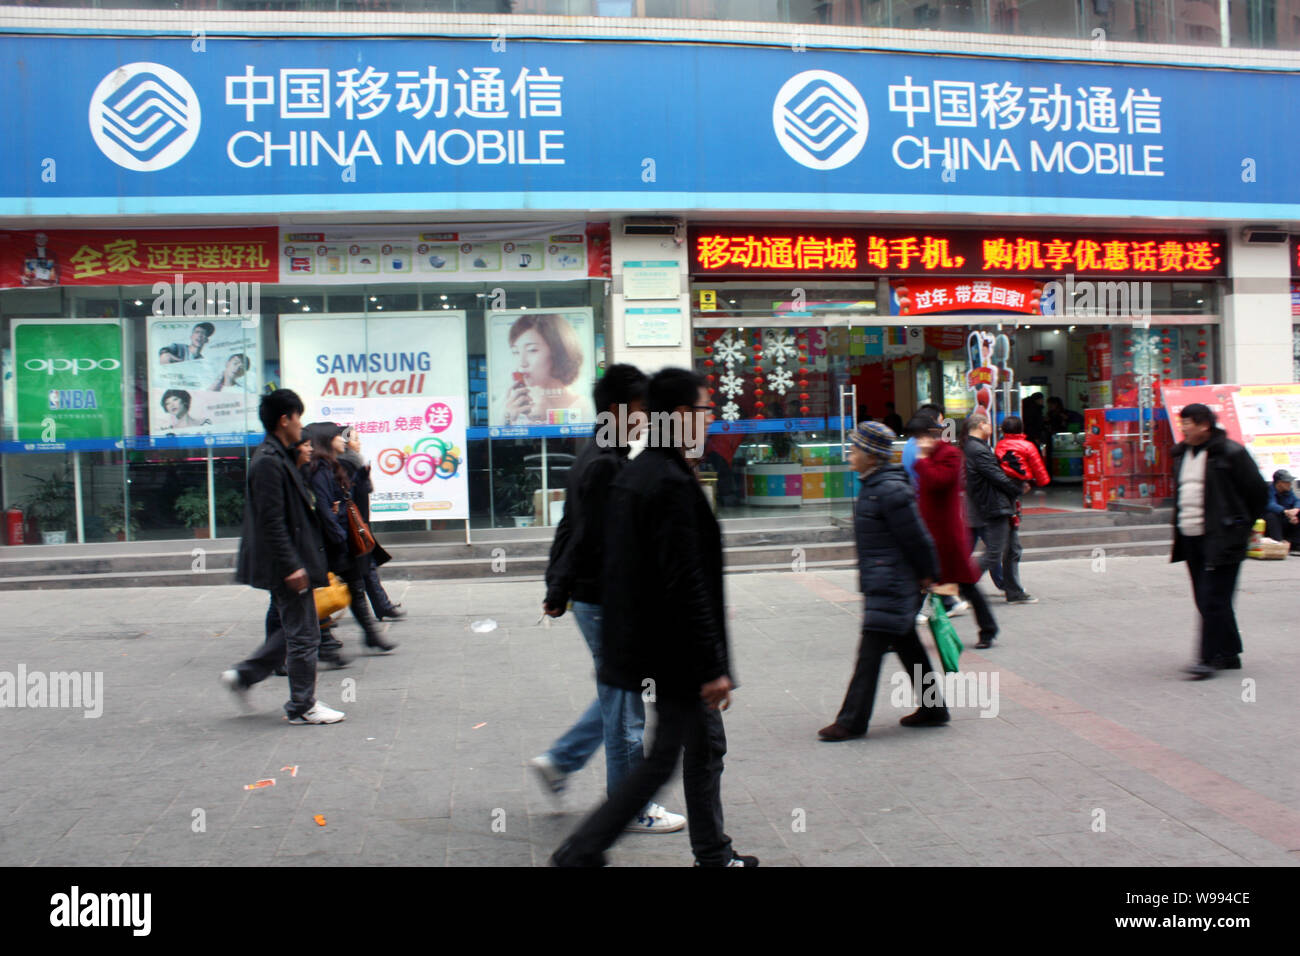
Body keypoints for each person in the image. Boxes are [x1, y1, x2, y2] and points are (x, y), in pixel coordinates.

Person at [551, 368, 756, 867]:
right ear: (683, 415)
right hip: (677, 652)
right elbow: (685, 583)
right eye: (706, 411)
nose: (710, 422)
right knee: (674, 755)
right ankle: (586, 849)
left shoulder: (643, 473)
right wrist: (712, 667)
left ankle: (707, 852)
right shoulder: (666, 483)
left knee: (677, 754)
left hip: (658, 646)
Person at [530, 364, 685, 834]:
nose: (648, 418)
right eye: (642, 409)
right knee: (626, 712)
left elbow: (568, 527)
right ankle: (630, 806)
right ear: (620, 410)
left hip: (597, 597)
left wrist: (558, 587)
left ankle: (560, 761)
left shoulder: (598, 454)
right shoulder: (605, 463)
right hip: (607, 600)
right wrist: (562, 588)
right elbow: (589, 539)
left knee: (621, 690)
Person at [221, 390, 344, 724]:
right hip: (285, 564)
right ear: (284, 419)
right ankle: (302, 706)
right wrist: (291, 566)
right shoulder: (268, 462)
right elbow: (271, 521)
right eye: (298, 417)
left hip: (290, 561)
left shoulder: (280, 458)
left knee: (294, 630)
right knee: (305, 635)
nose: (300, 427)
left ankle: (244, 675)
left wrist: (301, 467)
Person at [818, 421, 947, 741]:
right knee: (909, 647)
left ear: (872, 455)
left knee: (869, 655)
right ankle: (934, 708)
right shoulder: (876, 486)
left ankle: (851, 721)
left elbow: (917, 537)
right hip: (885, 580)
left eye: (856, 448)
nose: (851, 453)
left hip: (891, 584)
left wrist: (931, 574)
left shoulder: (888, 490)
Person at [1171, 404, 1269, 679]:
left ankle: (1208, 658)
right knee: (1208, 598)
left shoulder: (1230, 453)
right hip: (1190, 536)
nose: (1184, 428)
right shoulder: (1181, 454)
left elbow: (1257, 492)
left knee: (1213, 597)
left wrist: (1241, 526)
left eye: (1188, 423)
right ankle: (1229, 653)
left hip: (1223, 538)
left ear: (1204, 425)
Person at [304, 422, 396, 655]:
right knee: (323, 590)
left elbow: (351, 498)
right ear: (326, 440)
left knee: (355, 586)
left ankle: (370, 634)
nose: (343, 440)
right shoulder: (319, 470)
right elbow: (325, 508)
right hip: (331, 541)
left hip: (343, 538)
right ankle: (325, 639)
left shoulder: (335, 465)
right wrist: (339, 536)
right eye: (338, 437)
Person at [911, 416, 1000, 650]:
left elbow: (937, 481)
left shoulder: (949, 455)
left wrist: (921, 460)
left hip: (947, 537)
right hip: (929, 535)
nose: (919, 442)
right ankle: (900, 634)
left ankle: (988, 630)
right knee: (918, 585)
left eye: (922, 436)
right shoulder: (931, 456)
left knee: (967, 585)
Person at [964, 412, 1036, 604]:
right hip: (992, 507)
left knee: (1010, 549)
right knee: (994, 552)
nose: (992, 427)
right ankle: (961, 586)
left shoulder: (977, 447)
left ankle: (1012, 591)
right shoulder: (976, 449)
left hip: (995, 505)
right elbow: (996, 476)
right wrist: (1017, 488)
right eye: (988, 423)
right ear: (980, 425)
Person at [338, 425, 406, 621]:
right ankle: (380, 608)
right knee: (363, 567)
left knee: (366, 566)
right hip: (352, 524)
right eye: (355, 439)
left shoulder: (353, 461)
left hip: (357, 522)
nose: (359, 443)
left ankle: (381, 606)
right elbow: (356, 492)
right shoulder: (346, 462)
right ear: (345, 442)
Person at [503, 313, 586, 425]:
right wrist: (507, 420)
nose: (522, 363)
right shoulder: (513, 406)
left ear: (557, 352)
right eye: (516, 352)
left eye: (532, 350)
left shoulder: (585, 409)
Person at [996, 415, 1051, 531]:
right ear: (1021, 429)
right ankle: (1014, 521)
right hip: (1020, 481)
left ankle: (1011, 521)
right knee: (1016, 505)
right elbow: (1038, 466)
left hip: (1004, 481)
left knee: (1008, 505)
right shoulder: (1028, 445)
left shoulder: (999, 445)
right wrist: (1042, 481)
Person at [1263, 469, 1300, 554]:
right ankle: (1279, 543)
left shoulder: (1288, 491)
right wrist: (1285, 511)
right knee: (1271, 516)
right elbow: (1270, 505)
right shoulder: (1268, 491)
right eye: (1287, 482)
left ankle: (1296, 543)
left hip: (1286, 521)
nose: (1290, 484)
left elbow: (1297, 501)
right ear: (1279, 483)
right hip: (1272, 526)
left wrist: (1295, 510)